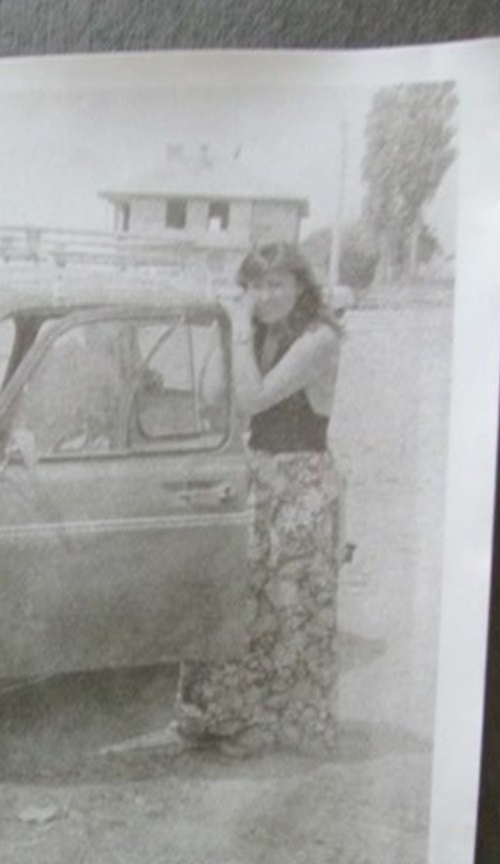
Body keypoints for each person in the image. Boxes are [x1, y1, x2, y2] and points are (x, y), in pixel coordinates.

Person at [176, 242, 344, 754]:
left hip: (302, 482)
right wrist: (225, 336)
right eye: (256, 285)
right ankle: (228, 719)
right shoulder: (259, 334)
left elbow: (250, 400)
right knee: (238, 599)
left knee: (289, 608)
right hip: (258, 475)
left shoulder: (320, 338)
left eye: (277, 284)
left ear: (300, 286)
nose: (266, 296)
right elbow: (211, 401)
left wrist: (242, 329)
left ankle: (281, 730)